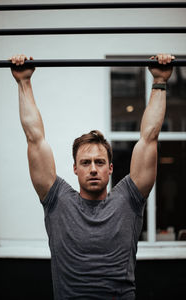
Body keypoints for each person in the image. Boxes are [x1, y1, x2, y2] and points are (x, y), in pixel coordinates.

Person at [10, 53, 174, 300]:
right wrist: (24, 82)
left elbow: (149, 138)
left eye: (99, 162)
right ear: (75, 169)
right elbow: (35, 138)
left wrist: (160, 81)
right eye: (85, 163)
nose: (93, 168)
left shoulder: (128, 200)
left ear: (110, 168)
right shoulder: (58, 201)